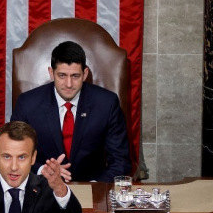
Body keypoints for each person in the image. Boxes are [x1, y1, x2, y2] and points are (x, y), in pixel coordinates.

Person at [11, 40, 131, 182]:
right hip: (42, 186)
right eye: (62, 75)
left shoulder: (107, 103)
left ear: (85, 74)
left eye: (75, 76)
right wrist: (40, 169)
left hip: (91, 185)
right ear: (51, 73)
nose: (69, 84)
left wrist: (94, 187)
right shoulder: (27, 103)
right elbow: (13, 153)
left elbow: (120, 161)